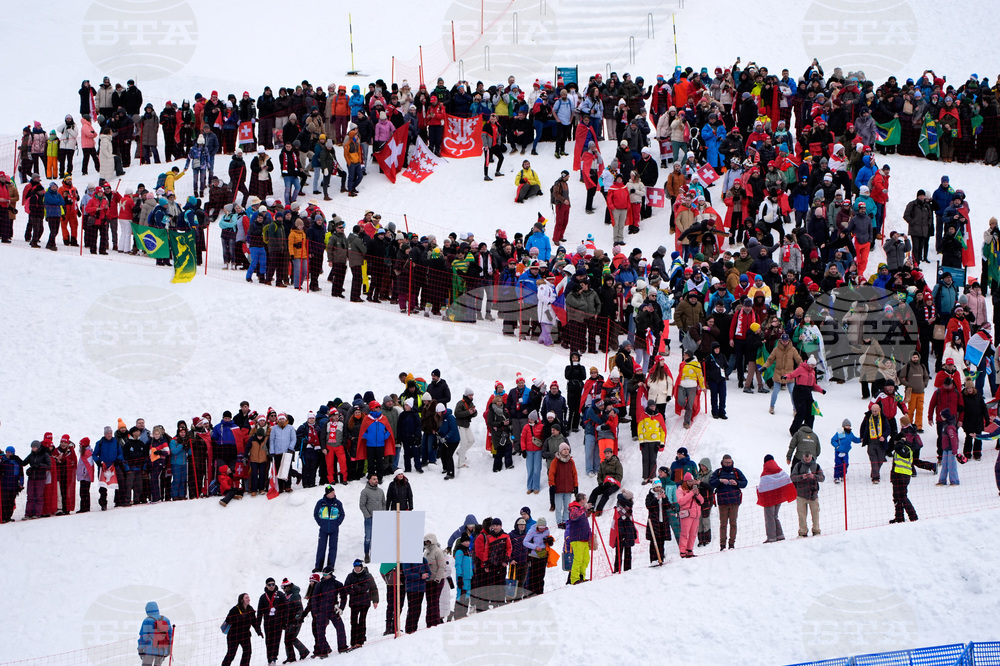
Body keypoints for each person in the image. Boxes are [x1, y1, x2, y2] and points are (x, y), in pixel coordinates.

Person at [709, 454, 747, 551]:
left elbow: (745, 482)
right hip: (722, 502)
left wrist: (737, 483)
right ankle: (722, 545)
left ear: (732, 462)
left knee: (733, 523)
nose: (728, 464)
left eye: (729, 462)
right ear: (722, 462)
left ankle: (731, 544)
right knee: (723, 524)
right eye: (726, 462)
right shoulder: (718, 472)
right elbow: (711, 483)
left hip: (734, 501)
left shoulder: (736, 471)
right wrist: (720, 480)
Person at [756, 454, 796, 544]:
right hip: (779, 498)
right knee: (775, 516)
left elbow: (762, 487)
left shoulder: (765, 473)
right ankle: (780, 535)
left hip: (769, 499)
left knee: (769, 517)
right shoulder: (780, 471)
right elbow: (787, 480)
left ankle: (771, 537)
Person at [308, 566, 348, 656]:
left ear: (330, 574)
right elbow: (314, 599)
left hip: (333, 611)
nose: (324, 576)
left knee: (340, 628)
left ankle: (342, 647)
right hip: (321, 611)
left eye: (325, 574)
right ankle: (323, 651)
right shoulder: (319, 585)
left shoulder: (337, 584)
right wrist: (316, 612)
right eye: (323, 574)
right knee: (320, 631)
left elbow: (344, 597)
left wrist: (341, 608)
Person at [343, 559, 379, 650]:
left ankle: (360, 640)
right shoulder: (350, 576)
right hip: (354, 603)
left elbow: (369, 588)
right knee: (353, 621)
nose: (357, 568)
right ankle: (353, 642)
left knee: (362, 620)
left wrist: (375, 600)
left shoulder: (367, 575)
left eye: (358, 567)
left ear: (362, 567)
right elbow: (346, 588)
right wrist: (356, 590)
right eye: (355, 567)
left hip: (365, 602)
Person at [790, 452, 825, 538]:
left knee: (815, 514)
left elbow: (822, 478)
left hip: (813, 495)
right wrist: (802, 477)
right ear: (803, 458)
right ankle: (802, 532)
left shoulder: (816, 466)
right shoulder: (798, 465)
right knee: (801, 515)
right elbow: (792, 477)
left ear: (811, 457)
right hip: (801, 494)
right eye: (805, 459)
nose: (807, 461)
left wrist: (814, 476)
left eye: (808, 459)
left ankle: (816, 531)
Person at [221, 593, 261, 666]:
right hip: (234, 636)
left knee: (248, 652)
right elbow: (228, 620)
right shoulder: (234, 609)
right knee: (231, 654)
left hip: (245, 635)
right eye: (246, 598)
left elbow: (254, 622)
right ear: (241, 600)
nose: (248, 599)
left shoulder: (250, 609)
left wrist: (258, 631)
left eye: (248, 597)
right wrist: (239, 617)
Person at [256, 577, 288, 666]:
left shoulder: (280, 594)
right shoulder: (263, 597)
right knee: (268, 641)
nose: (271, 586)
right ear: (266, 586)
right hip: (268, 623)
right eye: (269, 584)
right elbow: (259, 613)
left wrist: (285, 621)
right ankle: (269, 659)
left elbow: (286, 608)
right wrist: (258, 627)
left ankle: (274, 658)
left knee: (276, 641)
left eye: (273, 584)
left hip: (278, 622)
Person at [314, 484, 346, 570]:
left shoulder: (338, 503)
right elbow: (316, 514)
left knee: (333, 548)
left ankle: (330, 566)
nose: (333, 494)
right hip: (323, 529)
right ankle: (318, 566)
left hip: (334, 529)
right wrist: (320, 523)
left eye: (334, 492)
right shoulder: (320, 503)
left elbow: (342, 514)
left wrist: (337, 523)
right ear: (327, 494)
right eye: (331, 492)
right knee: (321, 547)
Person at [279, 578, 310, 663]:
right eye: (282, 587)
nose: (283, 589)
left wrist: (297, 617)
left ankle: (301, 653)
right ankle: (292, 656)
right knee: (288, 639)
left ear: (288, 586)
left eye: (284, 587)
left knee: (290, 638)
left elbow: (300, 607)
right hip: (288, 620)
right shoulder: (286, 595)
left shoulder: (295, 595)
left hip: (295, 620)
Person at [548, 443, 577, 528]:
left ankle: (565, 521)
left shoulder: (571, 462)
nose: (566, 451)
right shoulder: (555, 461)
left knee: (567, 507)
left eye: (567, 449)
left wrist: (575, 486)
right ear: (560, 450)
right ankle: (559, 522)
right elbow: (551, 474)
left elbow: (574, 474)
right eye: (564, 449)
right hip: (558, 489)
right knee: (558, 507)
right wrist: (552, 484)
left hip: (568, 489)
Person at [359, 472, 385, 564]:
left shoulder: (380, 491)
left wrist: (383, 513)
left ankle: (377, 553)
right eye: (374, 479)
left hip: (379, 518)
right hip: (369, 518)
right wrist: (368, 515)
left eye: (376, 479)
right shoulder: (365, 492)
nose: (376, 481)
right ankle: (367, 553)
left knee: (378, 536)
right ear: (369, 480)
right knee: (368, 537)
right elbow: (362, 505)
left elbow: (383, 503)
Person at [676, 472, 704, 558]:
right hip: (686, 515)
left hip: (695, 515)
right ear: (685, 481)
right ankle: (682, 551)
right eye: (689, 481)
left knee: (693, 533)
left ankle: (689, 549)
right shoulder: (680, 490)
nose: (690, 483)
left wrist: (697, 494)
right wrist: (691, 493)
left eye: (691, 481)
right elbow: (681, 501)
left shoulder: (694, 490)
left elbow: (702, 501)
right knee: (685, 533)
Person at [889, 442, 919, 524]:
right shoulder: (902, 448)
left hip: (901, 476)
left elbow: (898, 448)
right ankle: (899, 517)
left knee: (902, 497)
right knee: (897, 497)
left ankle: (913, 516)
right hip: (898, 475)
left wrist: (901, 441)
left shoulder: (905, 448)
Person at [637, 400, 666, 483]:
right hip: (645, 441)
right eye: (651, 406)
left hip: (655, 441)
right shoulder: (644, 416)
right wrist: (641, 440)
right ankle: (645, 477)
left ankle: (652, 476)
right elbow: (640, 428)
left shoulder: (659, 416)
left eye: (654, 406)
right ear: (648, 407)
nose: (653, 408)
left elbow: (662, 430)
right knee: (645, 459)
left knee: (653, 459)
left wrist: (662, 442)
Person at [565, 494, 592, 584]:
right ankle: (574, 579)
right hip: (577, 538)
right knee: (578, 559)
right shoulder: (573, 508)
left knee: (585, 559)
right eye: (585, 499)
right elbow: (574, 516)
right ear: (581, 500)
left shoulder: (581, 509)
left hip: (584, 538)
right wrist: (584, 508)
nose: (586, 501)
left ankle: (581, 576)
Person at [137, 601, 172, 666]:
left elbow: (143, 637)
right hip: (162, 649)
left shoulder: (147, 620)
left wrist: (140, 649)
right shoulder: (165, 619)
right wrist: (169, 648)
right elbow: (170, 636)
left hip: (149, 650)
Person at [644, 479, 670, 564]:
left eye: (659, 487)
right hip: (654, 521)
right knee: (654, 541)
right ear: (653, 488)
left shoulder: (663, 494)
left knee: (661, 541)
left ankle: (661, 558)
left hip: (663, 521)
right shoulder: (649, 496)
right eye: (657, 487)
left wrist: (664, 498)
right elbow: (648, 506)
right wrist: (656, 499)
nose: (658, 489)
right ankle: (653, 559)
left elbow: (668, 506)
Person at [937, 408, 961, 486]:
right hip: (945, 449)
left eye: (942, 415)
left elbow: (953, 438)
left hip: (951, 449)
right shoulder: (944, 424)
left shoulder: (950, 427)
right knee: (944, 465)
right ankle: (942, 480)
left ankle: (954, 481)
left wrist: (954, 450)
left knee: (951, 465)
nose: (941, 417)